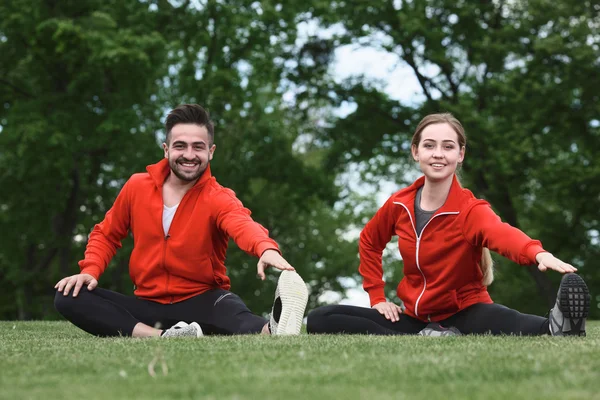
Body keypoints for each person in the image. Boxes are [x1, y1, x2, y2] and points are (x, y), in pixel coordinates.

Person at [307, 113, 590, 337]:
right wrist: (377, 297)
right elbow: (369, 241)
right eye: (429, 146)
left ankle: (559, 325)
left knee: (510, 321)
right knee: (321, 318)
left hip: (465, 312)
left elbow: (503, 234)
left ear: (460, 154)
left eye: (448, 146)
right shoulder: (399, 204)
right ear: (416, 152)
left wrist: (537, 253)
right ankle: (427, 335)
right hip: (415, 318)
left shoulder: (470, 210)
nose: (438, 153)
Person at [54, 104, 308, 337]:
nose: (189, 154)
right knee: (67, 296)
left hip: (205, 300)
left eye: (198, 147)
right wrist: (90, 271)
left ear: (211, 152)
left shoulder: (218, 197)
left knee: (238, 318)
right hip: (148, 305)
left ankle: (273, 328)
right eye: (180, 146)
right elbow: (107, 234)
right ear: (166, 149)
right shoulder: (136, 187)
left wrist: (265, 248)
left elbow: (242, 224)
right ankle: (162, 337)